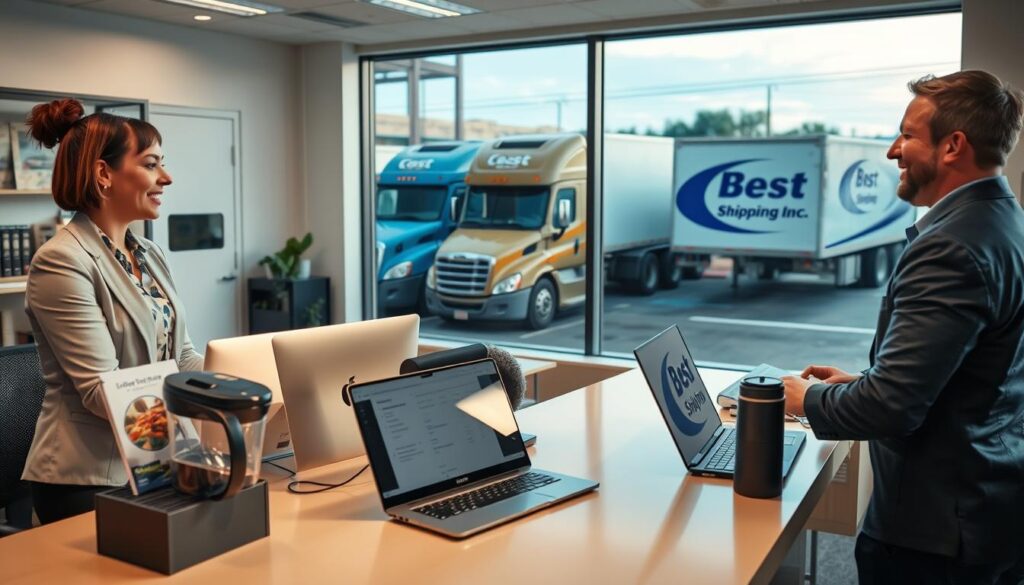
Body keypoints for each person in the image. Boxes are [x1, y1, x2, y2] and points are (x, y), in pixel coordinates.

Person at [782, 70, 1024, 584]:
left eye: (908, 135)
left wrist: (803, 399)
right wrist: (863, 384)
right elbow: (971, 377)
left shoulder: (951, 246)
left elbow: (893, 409)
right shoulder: (1006, 222)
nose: (894, 150)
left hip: (934, 535)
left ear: (953, 146)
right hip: (989, 510)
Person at [20, 99, 204, 524]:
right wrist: (214, 405)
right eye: (152, 164)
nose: (166, 177)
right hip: (91, 479)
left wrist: (249, 382)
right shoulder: (62, 261)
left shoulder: (150, 254)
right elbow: (104, 391)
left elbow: (183, 357)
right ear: (104, 173)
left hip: (159, 456)